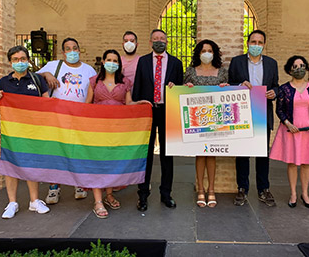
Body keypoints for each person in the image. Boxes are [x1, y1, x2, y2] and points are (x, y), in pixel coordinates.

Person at [85, 49, 150, 218]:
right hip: (97, 128)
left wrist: (139, 104)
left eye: (115, 61)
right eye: (109, 59)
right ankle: (98, 201)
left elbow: (128, 103)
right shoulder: (93, 81)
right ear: (103, 62)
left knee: (111, 161)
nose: (112, 63)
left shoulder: (125, 83)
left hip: (118, 129)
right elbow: (87, 105)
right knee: (97, 162)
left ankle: (109, 195)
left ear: (119, 64)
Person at [37, 37, 97, 204]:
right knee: (56, 152)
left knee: (77, 151)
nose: (72, 52)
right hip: (57, 117)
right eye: (68, 49)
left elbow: (95, 91)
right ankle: (54, 188)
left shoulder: (89, 70)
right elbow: (33, 78)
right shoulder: (53, 66)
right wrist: (46, 74)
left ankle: (78, 184)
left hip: (79, 117)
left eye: (75, 48)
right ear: (63, 52)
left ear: (79, 50)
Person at [0, 46, 50, 218]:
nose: (20, 62)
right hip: (12, 131)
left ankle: (34, 201)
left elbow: (47, 103)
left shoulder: (37, 80)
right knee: (10, 163)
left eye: (23, 59)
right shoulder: (4, 82)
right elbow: (0, 107)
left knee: (31, 163)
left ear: (28, 60)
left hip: (33, 130)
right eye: (16, 60)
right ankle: (12, 203)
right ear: (10, 62)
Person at [132, 29, 183, 211]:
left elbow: (181, 89)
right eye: (155, 39)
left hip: (167, 111)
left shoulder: (176, 63)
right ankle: (143, 195)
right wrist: (138, 102)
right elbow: (137, 87)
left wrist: (175, 87)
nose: (159, 41)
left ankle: (166, 194)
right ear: (150, 41)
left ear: (167, 42)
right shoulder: (143, 61)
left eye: (162, 38)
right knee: (146, 154)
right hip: (148, 110)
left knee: (167, 155)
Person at [228, 29, 279, 207]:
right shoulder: (237, 62)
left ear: (264, 44)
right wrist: (239, 85)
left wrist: (275, 92)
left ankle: (263, 188)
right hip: (241, 113)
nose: (256, 45)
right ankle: (242, 188)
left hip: (262, 112)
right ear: (247, 43)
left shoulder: (272, 64)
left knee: (262, 153)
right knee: (242, 152)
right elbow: (229, 84)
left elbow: (276, 86)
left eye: (259, 42)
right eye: (253, 42)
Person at [270, 56, 309, 209]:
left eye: (302, 65)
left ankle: (305, 193)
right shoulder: (284, 88)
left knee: (306, 163)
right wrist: (287, 122)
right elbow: (279, 109)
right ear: (289, 70)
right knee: (293, 162)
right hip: (291, 130)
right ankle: (293, 193)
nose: (299, 68)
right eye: (295, 66)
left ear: (306, 68)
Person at [184, 39, 229, 208]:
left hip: (216, 121)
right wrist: (186, 87)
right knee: (200, 154)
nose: (206, 54)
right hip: (197, 121)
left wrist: (226, 87)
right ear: (198, 53)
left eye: (209, 50)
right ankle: (200, 189)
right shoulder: (190, 72)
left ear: (214, 53)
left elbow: (228, 95)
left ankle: (211, 189)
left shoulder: (222, 72)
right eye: (203, 51)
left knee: (212, 154)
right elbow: (182, 93)